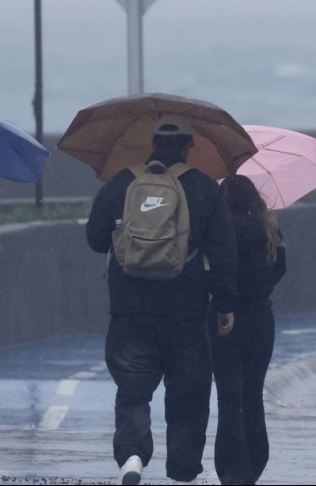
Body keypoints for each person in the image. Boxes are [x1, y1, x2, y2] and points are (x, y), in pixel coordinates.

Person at [85, 122, 239, 485]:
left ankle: (133, 457)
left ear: (152, 146)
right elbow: (224, 252)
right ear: (188, 148)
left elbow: (94, 238)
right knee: (188, 393)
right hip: (185, 309)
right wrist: (225, 303)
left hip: (129, 309)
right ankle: (183, 469)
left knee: (133, 390)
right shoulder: (203, 188)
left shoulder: (122, 182)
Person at [210, 175, 287, 485]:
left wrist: (224, 300)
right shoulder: (267, 226)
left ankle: (231, 467)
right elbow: (280, 267)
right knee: (253, 394)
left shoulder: (219, 228)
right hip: (259, 317)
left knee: (228, 396)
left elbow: (216, 270)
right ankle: (254, 462)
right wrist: (259, 287)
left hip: (222, 318)